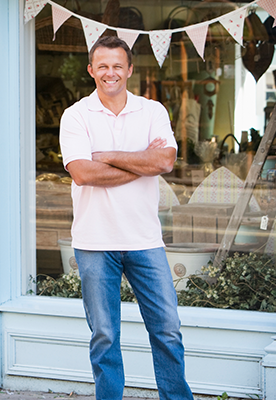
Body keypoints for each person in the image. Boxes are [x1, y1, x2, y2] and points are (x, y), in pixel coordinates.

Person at [59, 36, 193, 400]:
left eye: (117, 65)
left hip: (144, 240)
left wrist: (109, 155)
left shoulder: (152, 112)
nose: (110, 73)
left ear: (130, 70)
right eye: (102, 66)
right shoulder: (75, 116)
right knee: (104, 336)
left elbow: (165, 161)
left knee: (167, 329)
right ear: (91, 70)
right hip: (94, 242)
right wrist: (140, 163)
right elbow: (83, 173)